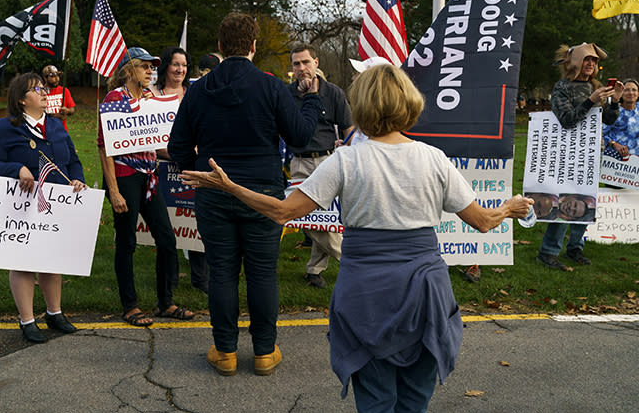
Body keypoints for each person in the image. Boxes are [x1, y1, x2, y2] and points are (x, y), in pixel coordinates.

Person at [180, 63, 533, 411]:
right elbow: (483, 222)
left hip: (365, 294)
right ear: (409, 103)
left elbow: (282, 211)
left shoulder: (345, 161)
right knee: (414, 401)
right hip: (426, 295)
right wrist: (509, 207)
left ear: (361, 106)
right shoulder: (434, 159)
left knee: (376, 400)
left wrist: (229, 187)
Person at [168, 12, 322, 377]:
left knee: (221, 272)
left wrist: (202, 164)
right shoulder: (269, 86)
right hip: (264, 192)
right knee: (262, 273)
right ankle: (265, 352)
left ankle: (225, 352)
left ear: (220, 47)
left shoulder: (200, 90)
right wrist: (313, 100)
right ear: (254, 46)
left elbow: (177, 148)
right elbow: (300, 136)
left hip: (214, 189)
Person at [0, 72, 85, 343]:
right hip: (21, 207)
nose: (43, 91)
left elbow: (73, 160)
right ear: (21, 100)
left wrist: (77, 179)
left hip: (56, 204)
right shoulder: (3, 128)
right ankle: (27, 320)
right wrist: (17, 169)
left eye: (42, 87)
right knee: (24, 263)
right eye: (36, 89)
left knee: (52, 259)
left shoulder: (57, 126)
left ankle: (54, 313)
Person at [98, 47, 193, 327]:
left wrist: (182, 155)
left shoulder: (150, 97)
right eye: (145, 67)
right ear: (129, 70)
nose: (151, 72)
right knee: (126, 242)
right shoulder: (115, 99)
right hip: (125, 176)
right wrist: (113, 191)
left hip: (150, 175)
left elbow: (155, 142)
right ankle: (130, 306)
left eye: (153, 67)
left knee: (167, 239)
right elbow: (106, 149)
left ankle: (166, 301)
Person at [537, 43, 622, 269]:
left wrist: (614, 102)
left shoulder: (595, 86)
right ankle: (548, 251)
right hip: (569, 154)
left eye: (594, 61)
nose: (592, 64)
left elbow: (609, 120)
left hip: (593, 152)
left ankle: (575, 248)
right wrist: (591, 100)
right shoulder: (562, 87)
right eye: (587, 60)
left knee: (586, 202)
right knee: (567, 201)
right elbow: (566, 119)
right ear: (575, 62)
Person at [288, 44, 353, 289]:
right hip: (300, 163)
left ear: (316, 62)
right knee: (307, 217)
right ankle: (350, 261)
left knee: (327, 219)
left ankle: (314, 270)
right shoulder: (287, 94)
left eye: (306, 62)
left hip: (329, 161)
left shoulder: (333, 93)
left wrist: (349, 155)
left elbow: (348, 128)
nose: (302, 68)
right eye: (297, 64)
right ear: (292, 68)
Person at [152, 46, 209, 294]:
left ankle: (200, 278)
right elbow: (143, 134)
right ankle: (170, 278)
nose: (180, 70)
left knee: (195, 220)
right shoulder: (150, 94)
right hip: (161, 166)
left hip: (191, 166)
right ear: (165, 66)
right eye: (176, 64)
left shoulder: (193, 93)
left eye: (184, 65)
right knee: (167, 225)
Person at [603, 78, 639, 158]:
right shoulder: (613, 111)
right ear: (621, 93)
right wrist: (614, 144)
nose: (631, 93)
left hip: (636, 162)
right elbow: (600, 134)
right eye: (626, 90)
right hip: (615, 161)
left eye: (634, 90)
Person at [42, 65, 75, 131]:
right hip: (45, 132)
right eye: (52, 76)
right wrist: (55, 116)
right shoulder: (40, 92)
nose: (57, 78)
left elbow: (72, 110)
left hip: (62, 131)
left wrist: (67, 111)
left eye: (57, 75)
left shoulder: (64, 90)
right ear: (45, 78)